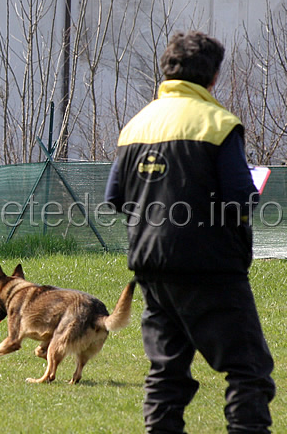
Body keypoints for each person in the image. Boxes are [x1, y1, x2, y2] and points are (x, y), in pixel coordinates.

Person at [105, 31, 275, 433]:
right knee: (248, 369)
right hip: (211, 268)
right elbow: (239, 198)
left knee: (167, 372)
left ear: (166, 71)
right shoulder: (218, 124)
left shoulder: (136, 125)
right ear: (213, 76)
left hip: (152, 269)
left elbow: (115, 198)